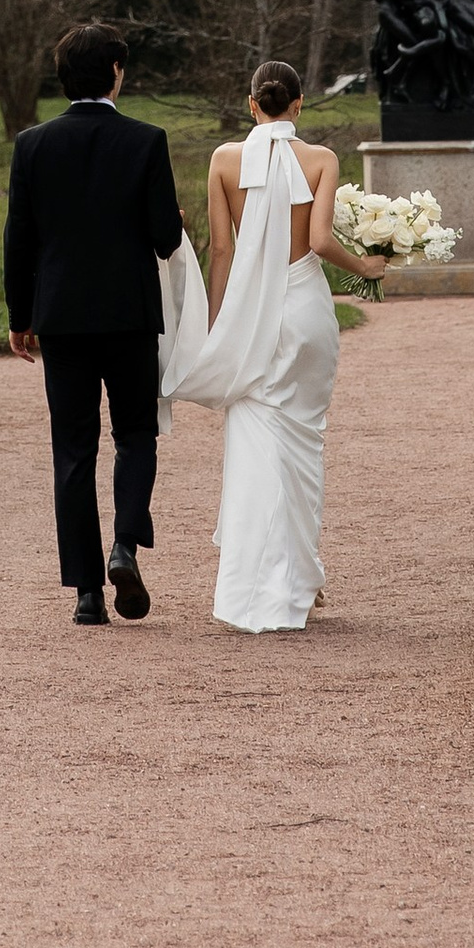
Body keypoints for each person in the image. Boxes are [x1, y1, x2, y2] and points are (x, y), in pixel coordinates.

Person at [171, 58, 386, 633]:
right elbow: (318, 241)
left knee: (252, 443)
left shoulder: (223, 160)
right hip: (304, 310)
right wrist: (365, 263)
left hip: (250, 313)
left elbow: (220, 252)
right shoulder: (320, 160)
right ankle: (301, 576)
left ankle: (254, 584)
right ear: (297, 106)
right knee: (304, 445)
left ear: (251, 104)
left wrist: (218, 325)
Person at [3, 19, 185, 627]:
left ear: (62, 77)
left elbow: (19, 239)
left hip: (61, 315)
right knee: (135, 434)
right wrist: (170, 215)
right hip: (130, 313)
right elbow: (164, 240)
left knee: (73, 448)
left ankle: (85, 591)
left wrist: (19, 316)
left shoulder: (32, 144)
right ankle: (124, 546)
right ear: (115, 73)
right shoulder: (146, 140)